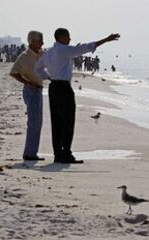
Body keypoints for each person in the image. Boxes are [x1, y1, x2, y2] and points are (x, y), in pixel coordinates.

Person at [35, 28, 120, 164]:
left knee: (56, 121)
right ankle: (66, 153)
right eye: (68, 36)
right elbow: (85, 48)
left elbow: (37, 69)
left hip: (54, 87)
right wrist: (106, 39)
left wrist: (49, 77)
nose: (70, 39)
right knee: (68, 121)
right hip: (63, 88)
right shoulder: (64, 50)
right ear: (61, 37)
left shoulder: (49, 52)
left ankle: (58, 154)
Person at [9, 31, 45, 161]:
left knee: (38, 122)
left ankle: (32, 152)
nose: (42, 43)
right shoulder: (24, 57)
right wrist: (27, 82)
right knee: (33, 122)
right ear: (32, 41)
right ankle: (29, 153)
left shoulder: (41, 54)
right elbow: (14, 73)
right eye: (40, 40)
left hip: (39, 90)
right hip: (31, 90)